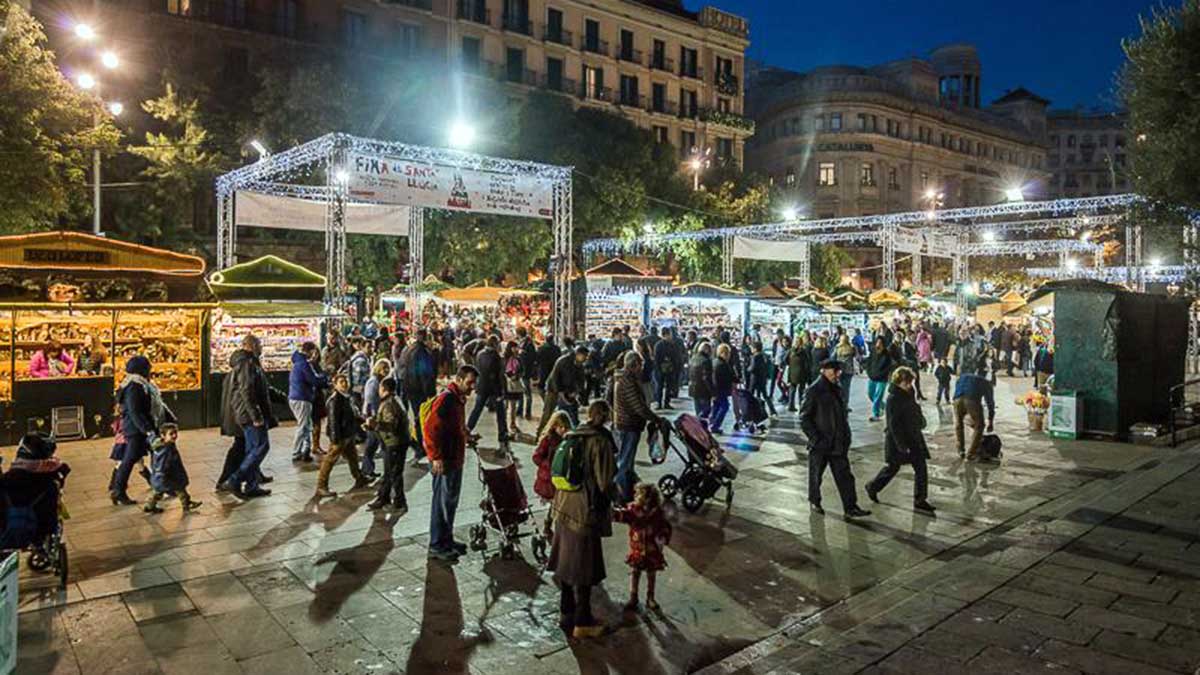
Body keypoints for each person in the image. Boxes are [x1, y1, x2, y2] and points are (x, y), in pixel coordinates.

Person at [547, 400, 617, 639]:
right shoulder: (600, 441)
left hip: (562, 506)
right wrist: (618, 497)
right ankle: (582, 622)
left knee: (565, 561)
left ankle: (566, 611)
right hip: (584, 511)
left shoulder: (572, 435)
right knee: (585, 567)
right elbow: (605, 482)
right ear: (605, 416)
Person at [798, 359, 870, 518]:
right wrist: (816, 438)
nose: (837, 374)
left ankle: (850, 507)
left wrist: (846, 435)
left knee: (845, 476)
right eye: (834, 371)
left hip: (838, 441)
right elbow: (804, 418)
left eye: (838, 371)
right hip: (821, 443)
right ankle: (814, 501)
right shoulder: (814, 390)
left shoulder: (837, 388)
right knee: (816, 475)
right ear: (824, 370)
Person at [424, 365, 480, 561]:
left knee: (450, 502)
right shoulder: (446, 399)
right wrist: (436, 456)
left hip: (455, 458)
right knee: (442, 503)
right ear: (459, 379)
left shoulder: (458, 399)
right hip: (445, 460)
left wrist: (467, 436)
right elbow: (430, 429)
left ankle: (446, 539)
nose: (472, 387)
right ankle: (437, 544)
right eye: (470, 382)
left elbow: (455, 426)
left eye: (474, 383)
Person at [865, 367, 935, 513]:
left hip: (913, 437)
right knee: (892, 467)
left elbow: (914, 409)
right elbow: (893, 424)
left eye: (910, 382)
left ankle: (920, 499)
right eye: (906, 383)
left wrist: (920, 420)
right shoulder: (893, 399)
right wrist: (901, 445)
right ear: (898, 382)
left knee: (921, 467)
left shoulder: (909, 393)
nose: (909, 385)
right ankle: (873, 486)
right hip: (899, 439)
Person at [218, 335, 277, 500]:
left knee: (251, 449)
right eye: (259, 344)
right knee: (261, 447)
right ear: (251, 346)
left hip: (246, 413)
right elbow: (247, 391)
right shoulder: (247, 363)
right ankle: (234, 480)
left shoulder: (248, 362)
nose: (262, 347)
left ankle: (252, 485)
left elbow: (260, 388)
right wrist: (255, 416)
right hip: (248, 415)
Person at [111, 356, 174, 505]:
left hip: (144, 427)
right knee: (130, 459)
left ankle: (162, 485)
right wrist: (147, 430)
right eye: (147, 367)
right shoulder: (135, 386)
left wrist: (168, 418)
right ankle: (118, 491)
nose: (150, 370)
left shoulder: (142, 384)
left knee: (155, 455)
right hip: (137, 429)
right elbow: (135, 411)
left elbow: (156, 404)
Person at [612, 352, 663, 504]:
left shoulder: (627, 379)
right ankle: (621, 495)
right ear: (633, 365)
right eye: (640, 365)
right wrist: (655, 418)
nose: (641, 368)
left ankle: (627, 489)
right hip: (628, 425)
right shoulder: (627, 381)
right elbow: (639, 407)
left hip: (627, 424)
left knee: (626, 461)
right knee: (625, 463)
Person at [613, 483, 672, 612]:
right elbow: (623, 516)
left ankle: (650, 598)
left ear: (648, 498)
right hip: (638, 550)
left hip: (653, 550)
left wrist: (663, 538)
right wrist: (612, 513)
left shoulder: (658, 513)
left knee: (651, 574)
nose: (635, 496)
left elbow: (665, 527)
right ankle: (633, 597)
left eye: (638, 493)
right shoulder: (633, 510)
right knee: (635, 572)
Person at [316, 373, 370, 498]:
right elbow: (333, 420)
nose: (344, 384)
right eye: (341, 382)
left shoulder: (346, 397)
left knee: (353, 457)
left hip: (348, 434)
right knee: (330, 460)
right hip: (340, 436)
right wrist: (335, 438)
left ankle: (359, 478)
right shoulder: (335, 400)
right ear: (335, 385)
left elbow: (352, 415)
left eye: (345, 381)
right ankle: (321, 486)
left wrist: (363, 421)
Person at [367, 377, 410, 511]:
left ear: (384, 389)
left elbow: (392, 426)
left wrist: (375, 424)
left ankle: (399, 502)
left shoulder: (389, 404)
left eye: (380, 387)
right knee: (389, 472)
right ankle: (383, 498)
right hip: (393, 442)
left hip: (394, 442)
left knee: (394, 473)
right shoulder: (394, 400)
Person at [143, 423, 202, 514]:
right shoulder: (166, 450)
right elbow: (163, 465)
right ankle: (186, 505)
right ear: (163, 436)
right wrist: (163, 475)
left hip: (162, 476)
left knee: (158, 491)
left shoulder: (163, 445)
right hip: (167, 476)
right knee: (179, 489)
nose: (174, 435)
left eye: (175, 433)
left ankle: (150, 506)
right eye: (171, 434)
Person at [400, 329, 437, 466]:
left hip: (409, 388)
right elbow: (425, 374)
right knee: (422, 418)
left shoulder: (408, 349)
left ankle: (419, 446)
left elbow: (401, 368)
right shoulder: (422, 352)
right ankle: (422, 446)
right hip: (419, 390)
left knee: (417, 417)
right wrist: (430, 393)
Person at [532, 410, 572, 537]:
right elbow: (536, 457)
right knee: (555, 504)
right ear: (554, 426)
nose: (564, 430)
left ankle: (551, 526)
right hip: (549, 479)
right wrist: (548, 465)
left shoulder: (566, 440)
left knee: (557, 504)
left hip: (559, 478)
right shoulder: (548, 440)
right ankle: (548, 525)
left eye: (566, 428)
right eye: (561, 427)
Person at [288, 342, 327, 463]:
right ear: (310, 351)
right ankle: (296, 452)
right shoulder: (304, 364)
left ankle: (306, 450)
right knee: (303, 425)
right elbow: (313, 380)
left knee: (306, 424)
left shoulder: (298, 362)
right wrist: (324, 377)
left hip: (297, 396)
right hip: (302, 397)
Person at [540, 345, 587, 433]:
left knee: (570, 413)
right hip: (553, 390)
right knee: (548, 413)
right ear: (578, 354)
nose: (585, 359)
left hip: (568, 391)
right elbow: (555, 378)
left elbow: (581, 380)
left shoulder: (579, 364)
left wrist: (577, 392)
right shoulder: (563, 361)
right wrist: (560, 392)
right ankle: (541, 433)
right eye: (584, 356)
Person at [953, 366, 996, 461]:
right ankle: (971, 454)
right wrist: (991, 422)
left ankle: (960, 450)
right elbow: (990, 404)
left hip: (957, 399)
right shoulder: (987, 383)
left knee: (959, 423)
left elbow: (957, 386)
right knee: (980, 426)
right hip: (971, 400)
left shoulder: (965, 376)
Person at [360, 358, 392, 478]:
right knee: (376, 443)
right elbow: (370, 401)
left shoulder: (380, 381)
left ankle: (367, 469)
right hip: (373, 416)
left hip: (376, 415)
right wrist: (373, 417)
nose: (386, 370)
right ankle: (368, 469)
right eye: (384, 368)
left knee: (373, 444)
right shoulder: (373, 382)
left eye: (388, 368)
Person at [864, 337, 895, 421]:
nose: (878, 344)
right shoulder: (873, 352)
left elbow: (888, 367)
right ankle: (884, 406)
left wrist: (882, 374)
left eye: (880, 343)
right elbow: (868, 363)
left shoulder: (887, 354)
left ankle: (876, 414)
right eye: (877, 342)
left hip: (882, 379)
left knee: (878, 396)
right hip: (872, 377)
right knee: (871, 395)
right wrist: (869, 372)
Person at [710, 343, 736, 434]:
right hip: (721, 389)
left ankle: (712, 423)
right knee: (725, 406)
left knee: (716, 406)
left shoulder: (715, 362)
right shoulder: (723, 364)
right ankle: (715, 425)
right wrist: (736, 379)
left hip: (715, 389)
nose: (729, 355)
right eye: (727, 353)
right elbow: (728, 376)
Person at [748, 341, 777, 418]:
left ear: (755, 349)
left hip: (754, 379)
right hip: (762, 378)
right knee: (765, 395)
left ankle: (749, 411)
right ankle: (772, 410)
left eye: (752, 348)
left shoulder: (754, 357)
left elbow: (753, 368)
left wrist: (748, 369)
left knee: (750, 394)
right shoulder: (764, 356)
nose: (751, 349)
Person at [502, 341, 525, 438]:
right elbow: (502, 371)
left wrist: (517, 376)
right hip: (506, 384)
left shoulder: (518, 359)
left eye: (517, 347)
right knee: (506, 406)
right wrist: (508, 376)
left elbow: (522, 370)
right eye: (514, 347)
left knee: (513, 406)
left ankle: (512, 423)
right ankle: (505, 424)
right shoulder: (504, 359)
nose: (516, 349)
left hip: (515, 384)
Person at [687, 342, 714, 423]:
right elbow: (706, 378)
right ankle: (703, 427)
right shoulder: (706, 361)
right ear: (707, 350)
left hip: (693, 388)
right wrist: (712, 391)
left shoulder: (693, 358)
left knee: (698, 411)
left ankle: (698, 427)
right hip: (703, 390)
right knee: (705, 412)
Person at [786, 334, 812, 412]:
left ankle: (791, 405)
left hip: (792, 373)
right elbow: (807, 363)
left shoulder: (790, 351)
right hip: (802, 373)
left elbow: (785, 360)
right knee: (801, 390)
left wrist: (791, 364)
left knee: (792, 390)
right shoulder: (803, 351)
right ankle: (801, 406)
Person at [517, 327, 537, 419]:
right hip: (522, 371)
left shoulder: (528, 344)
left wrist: (522, 354)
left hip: (526, 371)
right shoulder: (523, 343)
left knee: (527, 393)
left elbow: (531, 358)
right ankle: (520, 410)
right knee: (521, 391)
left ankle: (527, 412)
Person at [834, 335, 857, 410]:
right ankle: (845, 405)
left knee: (838, 388)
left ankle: (839, 404)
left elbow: (832, 358)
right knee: (846, 389)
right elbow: (856, 356)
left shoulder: (837, 348)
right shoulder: (851, 348)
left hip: (839, 370)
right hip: (848, 370)